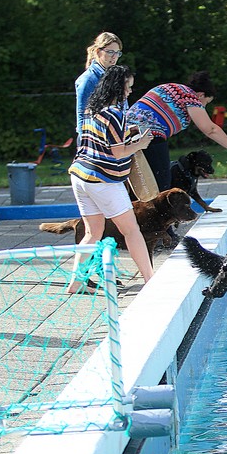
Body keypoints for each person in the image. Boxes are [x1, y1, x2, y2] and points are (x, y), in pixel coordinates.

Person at [67, 64, 153, 293]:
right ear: (117, 87)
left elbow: (105, 140)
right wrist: (141, 143)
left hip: (80, 175)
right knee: (131, 230)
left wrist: (129, 134)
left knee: (92, 233)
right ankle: (150, 280)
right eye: (128, 87)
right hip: (103, 180)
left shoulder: (91, 110)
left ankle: (76, 282)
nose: (130, 91)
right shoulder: (114, 113)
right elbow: (118, 152)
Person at [128, 71, 227, 191]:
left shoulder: (170, 87)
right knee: (162, 182)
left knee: (136, 179)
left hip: (127, 133)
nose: (203, 107)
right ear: (201, 95)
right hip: (148, 136)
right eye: (206, 103)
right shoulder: (190, 97)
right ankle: (154, 205)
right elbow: (211, 130)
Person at [75, 32, 123, 134]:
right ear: (98, 52)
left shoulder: (114, 76)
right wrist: (85, 141)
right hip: (95, 138)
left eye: (118, 52)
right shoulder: (88, 79)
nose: (114, 57)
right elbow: (82, 115)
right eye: (110, 52)